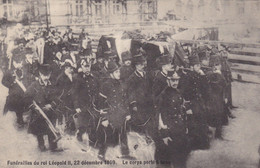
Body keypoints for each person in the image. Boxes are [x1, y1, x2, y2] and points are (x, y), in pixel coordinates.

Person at [94, 61, 134, 161]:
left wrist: (128, 113)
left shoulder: (120, 84)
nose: (119, 74)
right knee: (107, 135)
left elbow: (124, 100)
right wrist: (104, 118)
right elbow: (101, 103)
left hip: (120, 113)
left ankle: (125, 153)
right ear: (111, 73)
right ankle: (101, 154)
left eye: (119, 72)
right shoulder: (105, 85)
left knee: (123, 133)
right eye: (116, 72)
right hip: (110, 114)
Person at [155, 71, 190, 168]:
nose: (175, 82)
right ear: (168, 81)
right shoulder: (163, 96)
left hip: (180, 130)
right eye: (173, 80)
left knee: (181, 159)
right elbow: (159, 116)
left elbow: (182, 111)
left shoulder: (179, 93)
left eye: (177, 80)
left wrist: (185, 126)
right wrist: (164, 134)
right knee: (167, 160)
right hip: (169, 132)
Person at [24, 64, 62, 152]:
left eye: (48, 75)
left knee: (51, 127)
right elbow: (26, 97)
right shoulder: (34, 85)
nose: (46, 77)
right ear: (40, 74)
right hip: (38, 112)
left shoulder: (52, 85)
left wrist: (52, 105)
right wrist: (34, 107)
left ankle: (53, 144)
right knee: (39, 129)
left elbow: (57, 97)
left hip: (50, 110)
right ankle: (41, 144)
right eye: (44, 75)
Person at [178, 53, 210, 150]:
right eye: (197, 65)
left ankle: (202, 144)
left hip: (199, 103)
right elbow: (182, 94)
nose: (199, 67)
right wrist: (188, 107)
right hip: (191, 104)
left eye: (199, 65)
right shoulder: (186, 77)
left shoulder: (198, 75)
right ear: (192, 66)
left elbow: (205, 89)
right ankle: (195, 145)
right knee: (193, 124)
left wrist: (203, 76)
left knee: (201, 122)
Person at [73, 58, 99, 142]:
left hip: (92, 103)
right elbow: (75, 93)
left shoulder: (94, 76)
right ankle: (80, 133)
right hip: (82, 104)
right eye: (85, 66)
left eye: (88, 66)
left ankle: (93, 138)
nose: (87, 68)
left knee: (93, 121)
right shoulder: (78, 78)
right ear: (81, 67)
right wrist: (77, 106)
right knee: (83, 122)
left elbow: (97, 90)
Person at [2, 48, 27, 127]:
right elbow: (3, 81)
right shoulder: (9, 71)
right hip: (14, 92)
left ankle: (21, 118)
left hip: (22, 90)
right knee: (17, 105)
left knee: (22, 104)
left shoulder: (24, 70)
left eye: (20, 62)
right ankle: (19, 119)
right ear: (13, 63)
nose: (19, 64)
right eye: (17, 63)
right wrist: (11, 84)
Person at [207, 55, 227, 139]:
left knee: (218, 114)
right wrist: (218, 74)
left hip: (216, 97)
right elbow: (223, 83)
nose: (219, 66)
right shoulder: (213, 74)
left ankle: (217, 133)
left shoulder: (212, 73)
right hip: (214, 97)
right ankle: (215, 133)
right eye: (217, 64)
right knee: (216, 114)